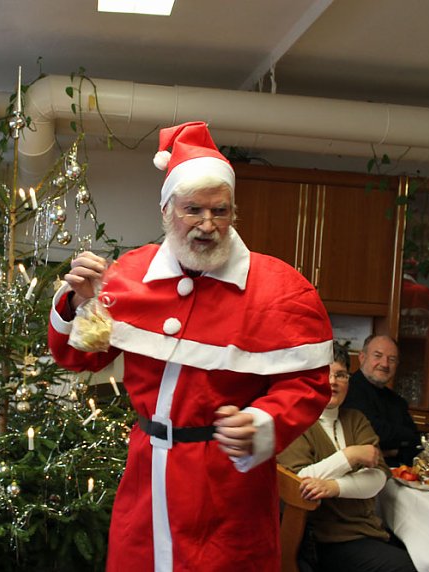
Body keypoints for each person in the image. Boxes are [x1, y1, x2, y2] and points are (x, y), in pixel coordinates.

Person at [48, 121, 334, 571]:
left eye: (219, 212)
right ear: (167, 211)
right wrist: (75, 303)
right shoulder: (132, 273)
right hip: (147, 475)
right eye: (193, 210)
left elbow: (309, 383)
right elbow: (80, 357)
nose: (207, 225)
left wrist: (264, 421)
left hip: (226, 483)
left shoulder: (278, 289)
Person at [278, 342, 417, 572]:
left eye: (341, 375)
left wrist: (332, 487)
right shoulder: (296, 422)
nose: (332, 381)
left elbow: (379, 478)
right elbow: (299, 483)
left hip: (367, 532)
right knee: (404, 567)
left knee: (423, 557)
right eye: (325, 373)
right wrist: (350, 455)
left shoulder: (356, 419)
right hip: (323, 540)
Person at [342, 335, 419, 466]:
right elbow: (371, 434)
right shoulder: (348, 389)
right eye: (378, 356)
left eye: (392, 359)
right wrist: (401, 444)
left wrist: (394, 450)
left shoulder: (397, 401)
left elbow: (414, 439)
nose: (385, 364)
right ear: (362, 358)